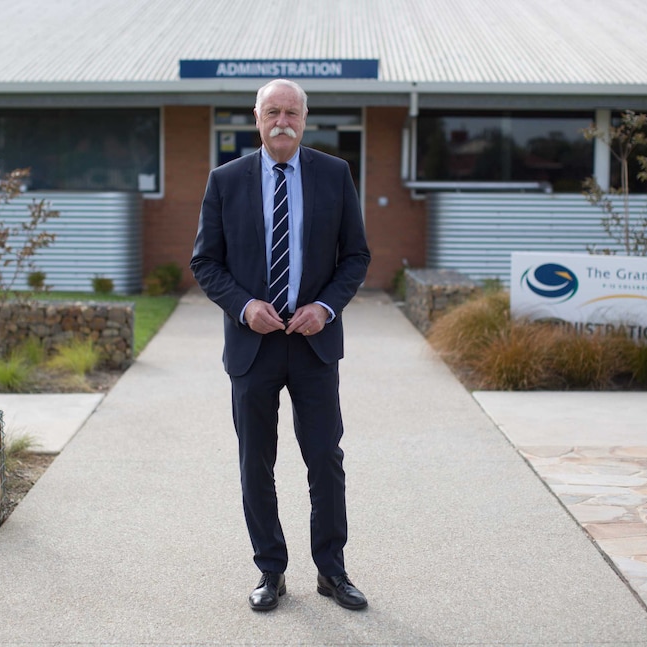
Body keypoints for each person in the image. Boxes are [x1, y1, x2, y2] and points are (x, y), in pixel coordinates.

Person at [190, 78, 371, 612]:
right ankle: (271, 571)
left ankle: (332, 573)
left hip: (313, 344)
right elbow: (206, 262)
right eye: (272, 112)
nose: (282, 121)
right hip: (253, 346)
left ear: (304, 119)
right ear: (257, 118)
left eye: (291, 112)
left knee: (325, 460)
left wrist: (325, 307)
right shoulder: (225, 180)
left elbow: (355, 256)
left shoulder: (334, 174)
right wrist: (245, 306)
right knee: (255, 464)